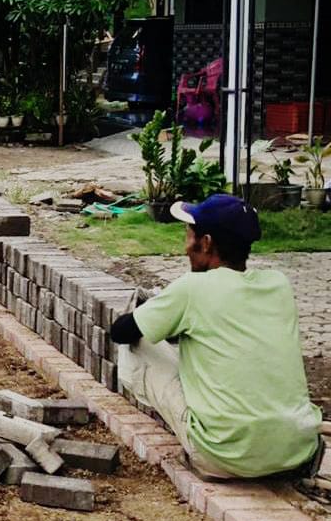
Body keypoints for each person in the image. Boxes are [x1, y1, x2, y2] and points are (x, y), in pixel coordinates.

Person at [108, 194, 321, 479]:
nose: (185, 246)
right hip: (296, 449)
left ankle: (207, 449)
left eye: (188, 234)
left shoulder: (192, 288)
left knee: (139, 344)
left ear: (206, 243)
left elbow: (121, 332)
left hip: (223, 455)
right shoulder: (278, 284)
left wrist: (155, 309)